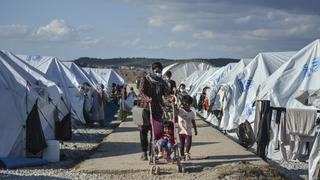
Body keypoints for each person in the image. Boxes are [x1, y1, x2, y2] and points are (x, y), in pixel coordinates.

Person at [137, 62, 170, 160]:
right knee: (143, 131)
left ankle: (153, 152)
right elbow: (141, 92)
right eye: (156, 71)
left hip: (157, 110)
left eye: (160, 71)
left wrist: (170, 99)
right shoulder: (145, 79)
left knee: (156, 132)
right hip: (145, 109)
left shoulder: (162, 82)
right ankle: (144, 152)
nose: (158, 73)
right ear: (152, 70)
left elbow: (166, 94)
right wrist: (146, 98)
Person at [178, 95, 198, 161]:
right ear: (182, 103)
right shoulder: (180, 111)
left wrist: (195, 129)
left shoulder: (192, 113)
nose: (186, 104)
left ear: (190, 104)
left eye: (188, 103)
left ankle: (187, 153)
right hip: (181, 131)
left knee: (189, 142)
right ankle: (182, 155)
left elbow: (193, 121)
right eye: (184, 103)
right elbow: (175, 112)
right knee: (182, 144)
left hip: (188, 131)